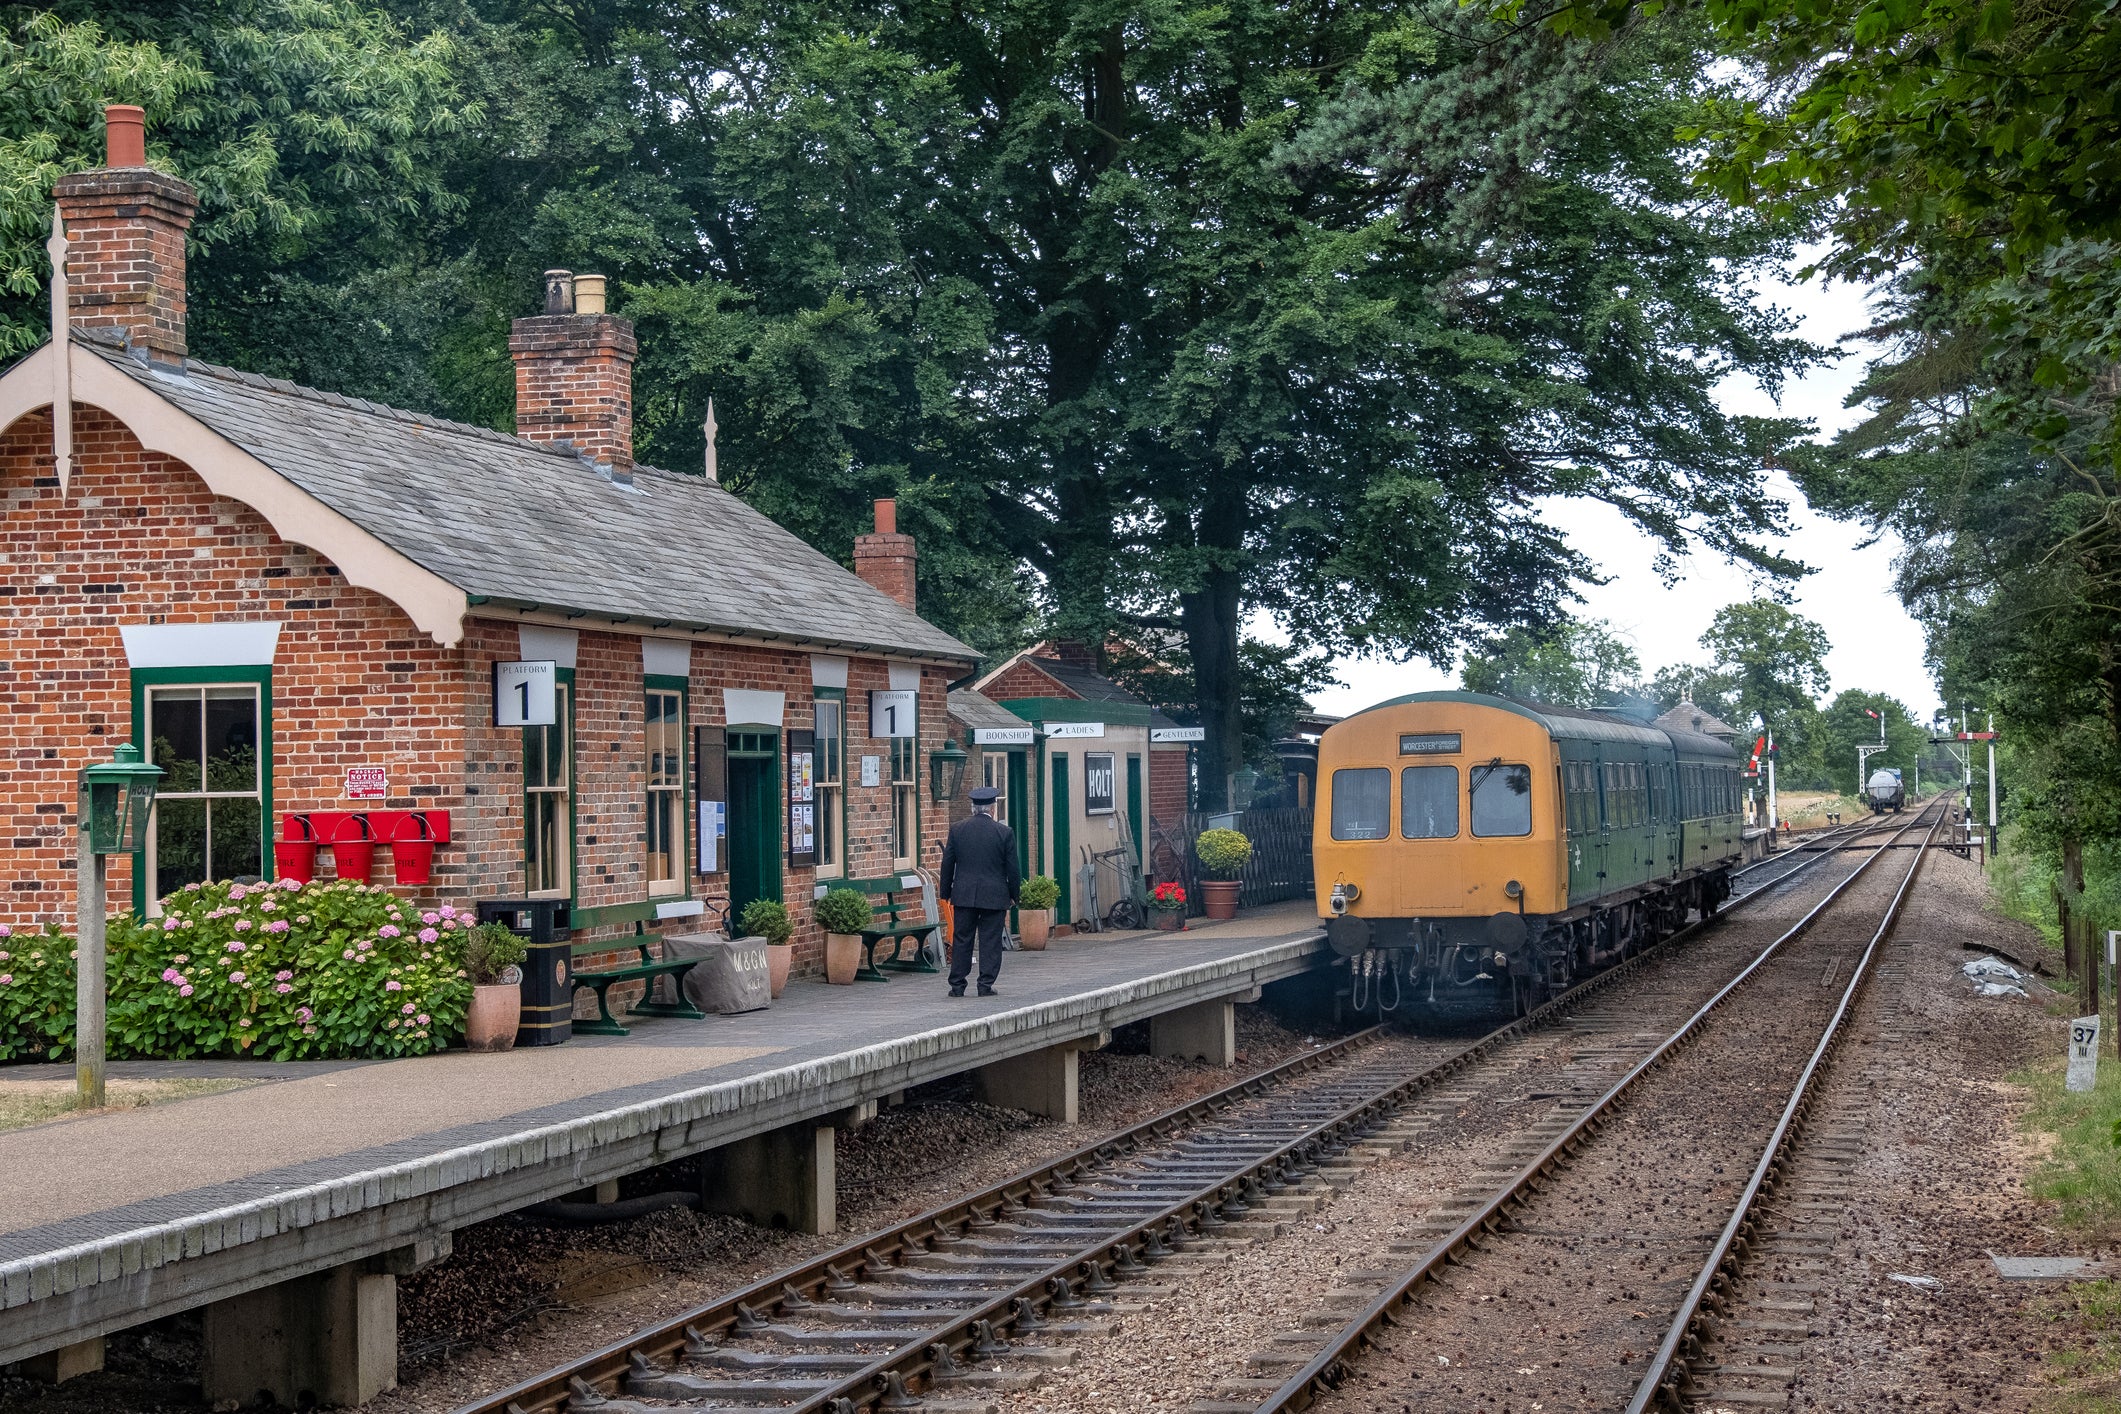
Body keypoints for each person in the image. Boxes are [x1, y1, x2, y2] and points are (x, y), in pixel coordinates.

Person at [938, 785, 1020, 997]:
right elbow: (1013, 868)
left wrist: (945, 893)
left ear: (973, 807)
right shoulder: (1004, 833)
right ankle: (985, 985)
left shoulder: (957, 829)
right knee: (990, 940)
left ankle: (957, 985)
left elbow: (947, 864)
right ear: (992, 809)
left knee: (962, 938)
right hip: (995, 895)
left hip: (964, 894)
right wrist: (1014, 895)